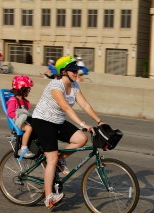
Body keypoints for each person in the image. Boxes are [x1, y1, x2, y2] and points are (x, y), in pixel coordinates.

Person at [31, 56, 105, 209]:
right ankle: (48, 197)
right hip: (43, 122)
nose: (76, 72)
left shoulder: (75, 85)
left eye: (77, 69)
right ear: (63, 72)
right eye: (73, 70)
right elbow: (66, 108)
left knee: (81, 139)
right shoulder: (55, 86)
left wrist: (99, 121)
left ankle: (60, 159)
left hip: (57, 121)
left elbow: (84, 104)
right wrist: (82, 123)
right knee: (51, 159)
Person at [7, 75, 35, 160]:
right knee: (29, 129)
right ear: (21, 89)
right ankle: (23, 149)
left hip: (23, 121)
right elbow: (10, 113)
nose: (29, 91)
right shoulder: (13, 100)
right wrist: (19, 116)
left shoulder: (23, 101)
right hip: (17, 122)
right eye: (28, 89)